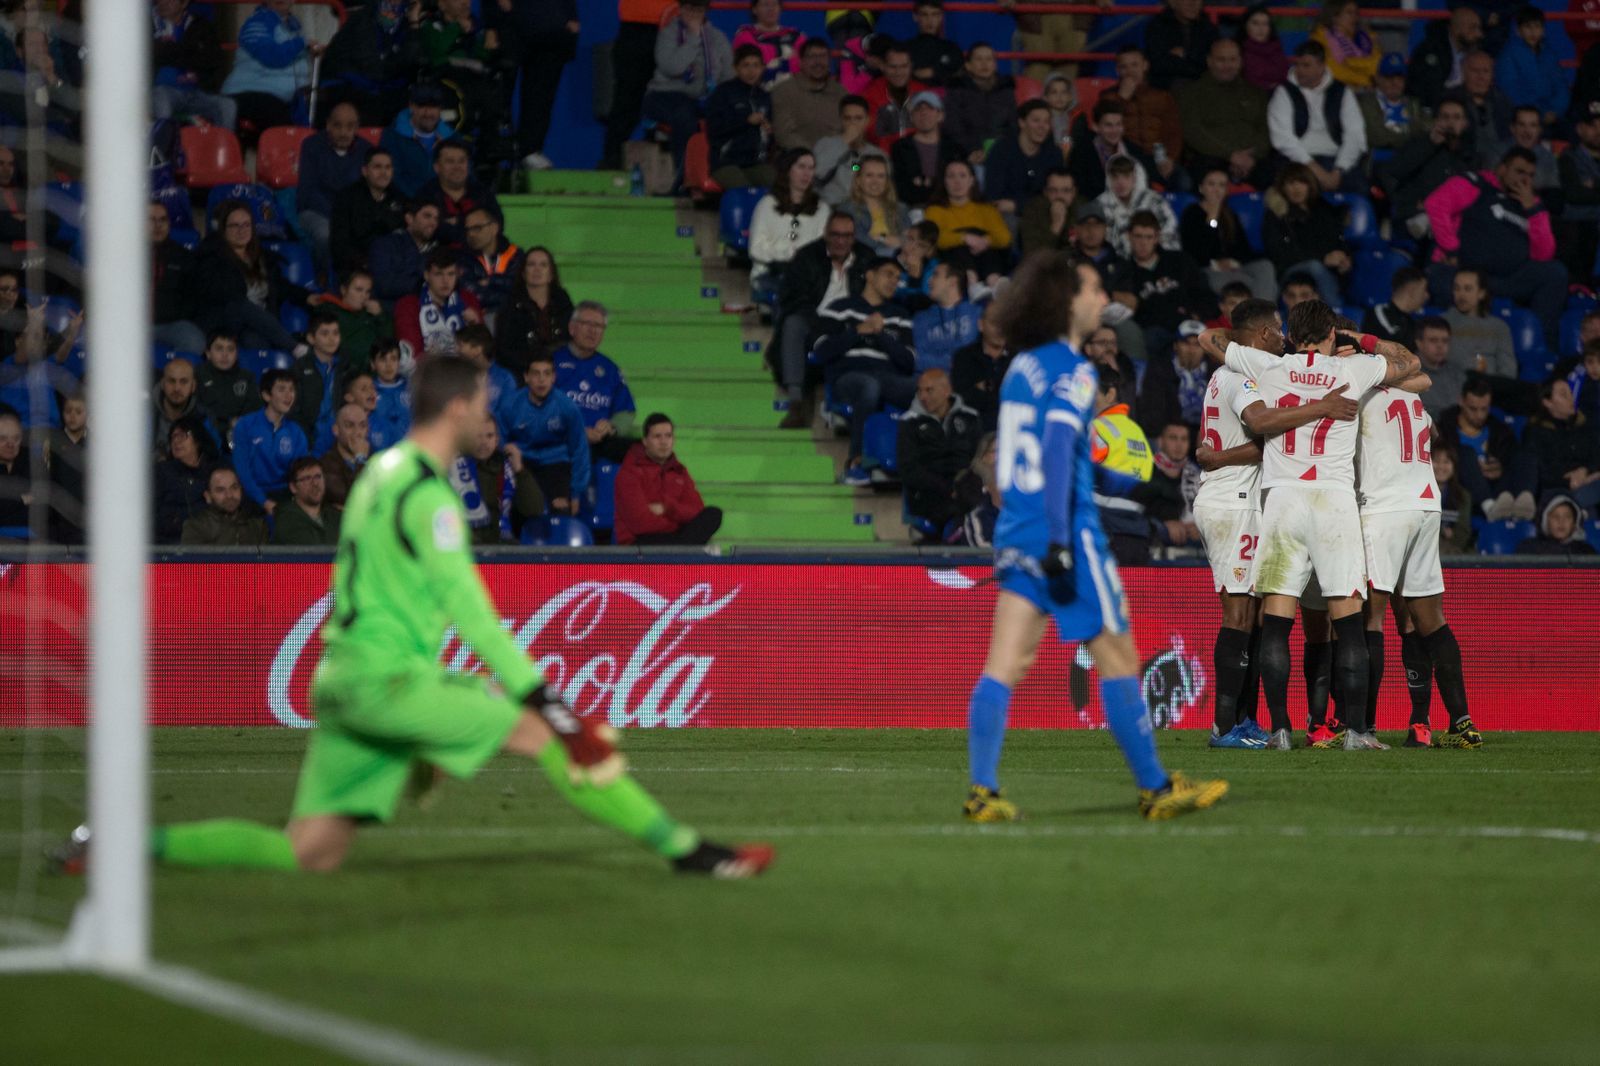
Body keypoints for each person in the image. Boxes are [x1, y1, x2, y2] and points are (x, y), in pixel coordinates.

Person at [85, 357, 773, 878]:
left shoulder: (376, 475)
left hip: (343, 680)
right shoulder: (429, 496)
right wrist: (555, 707)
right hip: (388, 683)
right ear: (459, 408)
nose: (487, 418)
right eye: (482, 405)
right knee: (544, 735)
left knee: (309, 852)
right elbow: (474, 617)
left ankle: (125, 848)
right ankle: (690, 851)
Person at [962, 249, 1228, 824]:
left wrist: (1106, 478)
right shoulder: (1074, 370)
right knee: (1118, 657)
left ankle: (981, 790)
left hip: (1016, 534)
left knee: (1003, 665)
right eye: (1091, 288)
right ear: (1065, 301)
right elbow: (1057, 448)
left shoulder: (1021, 368)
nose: (1100, 296)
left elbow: (1035, 453)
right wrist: (1062, 538)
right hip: (1069, 537)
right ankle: (1156, 787)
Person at [1196, 300, 1424, 749]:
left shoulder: (1268, 366)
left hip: (1282, 502)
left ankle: (1280, 729)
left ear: (1293, 334)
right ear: (1329, 335)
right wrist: (1361, 342)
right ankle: (1357, 731)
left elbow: (1210, 339)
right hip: (1333, 503)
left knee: (1277, 621)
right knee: (1349, 620)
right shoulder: (1352, 371)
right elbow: (1410, 363)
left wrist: (1253, 346)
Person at [1189, 297, 1358, 746]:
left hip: (1232, 497)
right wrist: (1322, 408)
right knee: (1240, 613)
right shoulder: (1244, 377)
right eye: (1278, 330)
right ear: (1263, 335)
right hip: (1235, 500)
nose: (1284, 337)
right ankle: (1225, 726)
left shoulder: (1226, 372)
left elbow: (1213, 340)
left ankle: (1243, 720)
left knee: (1256, 615)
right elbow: (1263, 425)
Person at [1353, 358, 1483, 749]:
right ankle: (1458, 724)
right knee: (1426, 619)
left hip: (1384, 508)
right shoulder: (1414, 401)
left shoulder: (1357, 395)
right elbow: (1431, 433)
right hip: (1426, 504)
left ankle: (1365, 729)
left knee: (1371, 618)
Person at [1426, 148, 1566, 351]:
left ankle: (1541, 351)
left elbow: (1543, 254)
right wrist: (1451, 249)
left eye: (1530, 175)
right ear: (1502, 169)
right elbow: (1436, 204)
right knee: (1443, 278)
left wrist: (1533, 210)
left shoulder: (1531, 204)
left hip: (1508, 278)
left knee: (1555, 273)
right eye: (1519, 172)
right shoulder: (1475, 184)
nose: (1525, 179)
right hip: (1465, 271)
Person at [811, 256, 916, 485]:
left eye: (898, 278)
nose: (894, 281)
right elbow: (821, 350)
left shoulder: (900, 315)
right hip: (848, 377)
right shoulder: (840, 308)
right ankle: (856, 463)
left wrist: (880, 334)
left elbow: (909, 361)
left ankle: (915, 468)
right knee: (869, 386)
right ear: (870, 275)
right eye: (889, 274)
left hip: (888, 378)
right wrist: (858, 330)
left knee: (926, 390)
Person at [772, 213, 873, 426]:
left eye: (847, 236)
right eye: (835, 235)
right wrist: (822, 322)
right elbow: (794, 299)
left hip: (851, 324)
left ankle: (853, 408)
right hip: (814, 321)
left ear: (854, 238)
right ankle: (796, 403)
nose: (841, 241)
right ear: (826, 234)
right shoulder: (806, 257)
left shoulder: (867, 258)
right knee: (793, 324)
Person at [192, 202, 306, 354]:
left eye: (246, 225)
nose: (242, 230)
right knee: (239, 304)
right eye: (235, 226)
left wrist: (308, 297)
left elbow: (280, 286)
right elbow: (223, 295)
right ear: (223, 230)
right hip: (224, 321)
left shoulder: (261, 257)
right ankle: (294, 347)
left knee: (255, 341)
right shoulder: (211, 257)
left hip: (257, 324)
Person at [641, 0, 733, 189]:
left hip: (704, 98)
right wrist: (692, 37)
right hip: (664, 95)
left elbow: (728, 76)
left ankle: (723, 176)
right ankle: (683, 181)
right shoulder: (669, 33)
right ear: (680, 9)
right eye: (688, 8)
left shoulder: (717, 38)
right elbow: (672, 67)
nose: (692, 13)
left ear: (706, 11)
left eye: (698, 8)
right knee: (684, 117)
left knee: (730, 113)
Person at [1109, 212, 1218, 363]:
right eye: (1138, 236)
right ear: (1129, 236)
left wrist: (1196, 314)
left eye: (1148, 237)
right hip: (1153, 332)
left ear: (1157, 237)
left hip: (1188, 325)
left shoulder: (1179, 261)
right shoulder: (1124, 271)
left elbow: (1206, 295)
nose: (1143, 243)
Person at [489, 0, 579, 170]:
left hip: (552, 31)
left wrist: (570, 15)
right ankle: (491, 150)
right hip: (510, 25)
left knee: (541, 96)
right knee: (498, 93)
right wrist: (491, 23)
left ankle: (531, 150)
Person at [1268, 41, 1368, 193]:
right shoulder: (1283, 92)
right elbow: (1283, 139)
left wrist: (1339, 170)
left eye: (1306, 65)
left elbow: (1355, 136)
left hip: (1336, 159)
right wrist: (1316, 170)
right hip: (1297, 161)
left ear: (1321, 66)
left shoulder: (1342, 92)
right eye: (1297, 64)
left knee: (1362, 187)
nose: (1299, 70)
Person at [500, 350, 590, 516]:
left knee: (560, 510)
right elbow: (499, 441)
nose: (542, 380)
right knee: (520, 512)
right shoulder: (510, 406)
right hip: (522, 465)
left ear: (553, 377)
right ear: (526, 377)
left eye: (547, 374)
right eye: (536, 374)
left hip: (556, 466)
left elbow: (580, 450)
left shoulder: (567, 407)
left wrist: (576, 493)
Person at [611, 412, 723, 546]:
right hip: (641, 542)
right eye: (657, 436)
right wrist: (680, 525)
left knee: (713, 514)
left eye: (668, 436)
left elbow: (696, 511)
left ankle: (681, 547)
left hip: (675, 537)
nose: (663, 442)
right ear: (645, 441)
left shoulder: (679, 471)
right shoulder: (629, 473)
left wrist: (667, 508)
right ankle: (682, 548)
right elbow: (641, 524)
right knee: (688, 541)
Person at [1177, 38, 1274, 190]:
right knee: (1206, 179)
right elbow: (1193, 132)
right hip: (1211, 159)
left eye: (1232, 60)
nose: (1227, 65)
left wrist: (1250, 158)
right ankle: (1213, 215)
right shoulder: (1192, 93)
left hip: (1253, 160)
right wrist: (1231, 155)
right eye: (1221, 60)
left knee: (1281, 179)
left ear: (1240, 62)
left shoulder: (1256, 93)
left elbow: (1266, 131)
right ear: (1209, 61)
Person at [1435, 376, 1536, 520]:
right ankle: (1489, 507)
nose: (1479, 415)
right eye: (1473, 409)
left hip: (1500, 492)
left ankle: (1524, 502)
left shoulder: (1499, 430)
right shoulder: (1445, 429)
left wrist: (1500, 468)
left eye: (1484, 409)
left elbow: (1512, 457)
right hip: (1463, 491)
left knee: (1526, 455)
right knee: (1465, 453)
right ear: (1461, 401)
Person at [553, 302, 638, 464]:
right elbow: (538, 408)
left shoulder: (610, 369)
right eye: (587, 324)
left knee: (642, 451)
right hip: (562, 439)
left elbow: (626, 411)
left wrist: (611, 427)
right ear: (572, 328)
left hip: (600, 441)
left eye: (599, 326)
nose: (593, 331)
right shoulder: (553, 361)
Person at [898, 368, 982, 533]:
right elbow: (908, 469)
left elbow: (978, 459)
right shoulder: (909, 422)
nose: (922, 396)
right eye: (920, 391)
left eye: (929, 390)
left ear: (946, 391)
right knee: (958, 514)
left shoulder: (970, 418)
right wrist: (947, 488)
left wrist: (963, 486)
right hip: (927, 494)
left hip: (966, 490)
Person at [296, 102, 372, 283]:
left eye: (350, 126)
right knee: (326, 236)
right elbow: (308, 191)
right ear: (328, 124)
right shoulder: (311, 146)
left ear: (357, 127)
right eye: (338, 125)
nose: (344, 132)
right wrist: (340, 216)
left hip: (352, 212)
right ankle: (321, 277)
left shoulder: (366, 150)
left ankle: (362, 282)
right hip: (316, 210)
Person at [221, 0, 318, 139]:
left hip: (283, 98)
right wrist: (302, 43)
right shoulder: (256, 22)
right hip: (248, 94)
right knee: (284, 134)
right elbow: (272, 56)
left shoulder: (294, 27)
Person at [1384, 97, 1477, 240]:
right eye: (1445, 117)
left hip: (1454, 224)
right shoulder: (1418, 144)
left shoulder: (1472, 158)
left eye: (1456, 117)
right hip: (1415, 221)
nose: (1450, 122)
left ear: (1465, 123)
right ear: (1436, 121)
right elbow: (1395, 170)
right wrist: (1430, 143)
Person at [318, 0, 422, 127]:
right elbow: (375, 70)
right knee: (376, 105)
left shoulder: (405, 25)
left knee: (415, 104)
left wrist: (414, 24)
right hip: (347, 85)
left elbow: (411, 63)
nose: (395, 3)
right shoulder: (363, 19)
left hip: (379, 87)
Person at [1262, 163, 1351, 306]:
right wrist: (1323, 258)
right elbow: (1279, 252)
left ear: (1310, 185)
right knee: (1314, 266)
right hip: (1290, 270)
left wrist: (1344, 258)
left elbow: (1337, 240)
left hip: (1325, 269)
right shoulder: (1277, 214)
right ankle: (1335, 312)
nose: (1296, 188)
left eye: (1301, 182)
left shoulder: (1322, 209)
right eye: (1291, 183)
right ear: (1283, 187)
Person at [601, 0, 675, 169]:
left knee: (670, 99)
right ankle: (612, 160)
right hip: (635, 29)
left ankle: (665, 166)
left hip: (674, 24)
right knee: (627, 99)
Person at [1182, 168, 1276, 298]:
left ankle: (1262, 315)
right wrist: (1212, 219)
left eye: (1221, 185)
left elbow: (1243, 248)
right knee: (1253, 284)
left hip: (1233, 267)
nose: (1216, 189)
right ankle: (1260, 313)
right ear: (1201, 188)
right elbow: (1196, 251)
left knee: (1265, 267)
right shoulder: (1192, 213)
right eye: (1211, 184)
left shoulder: (1229, 214)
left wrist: (1233, 262)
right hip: (1208, 270)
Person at [748, 149, 827, 299]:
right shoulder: (767, 205)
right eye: (801, 167)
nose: (806, 173)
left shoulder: (822, 209)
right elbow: (756, 249)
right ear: (788, 170)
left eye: (811, 168)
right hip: (770, 273)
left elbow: (822, 250)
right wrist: (786, 254)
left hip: (807, 276)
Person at [233, 368, 309, 515]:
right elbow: (242, 470)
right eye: (281, 389)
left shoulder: (296, 432)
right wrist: (263, 501)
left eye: (291, 390)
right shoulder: (245, 425)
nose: (288, 396)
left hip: (286, 494)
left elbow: (302, 470)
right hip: (251, 494)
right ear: (266, 395)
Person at [924, 159, 1012, 283]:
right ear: (944, 182)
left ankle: (994, 283)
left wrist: (985, 241)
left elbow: (1004, 238)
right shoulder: (934, 211)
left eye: (962, 175)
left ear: (972, 180)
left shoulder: (987, 209)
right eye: (951, 176)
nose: (957, 181)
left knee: (988, 244)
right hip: (955, 266)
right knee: (960, 244)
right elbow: (935, 239)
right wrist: (964, 238)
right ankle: (973, 284)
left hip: (987, 260)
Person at [151, 0, 234, 129]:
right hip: (161, 90)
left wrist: (169, 50)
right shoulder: (148, 25)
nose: (163, 3)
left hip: (195, 91)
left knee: (227, 105)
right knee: (162, 102)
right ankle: (163, 148)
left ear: (184, 3)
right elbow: (152, 54)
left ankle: (221, 148)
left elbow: (212, 59)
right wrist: (190, 53)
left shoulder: (200, 25)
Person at [394, 250, 483, 368]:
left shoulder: (468, 300)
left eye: (451, 274)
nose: (445, 281)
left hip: (464, 372)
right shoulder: (408, 305)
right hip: (426, 373)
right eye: (439, 274)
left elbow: (482, 347)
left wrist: (475, 325)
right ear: (426, 275)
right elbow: (411, 352)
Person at [495, 247, 574, 377]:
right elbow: (504, 350)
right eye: (531, 264)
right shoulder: (510, 304)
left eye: (543, 265)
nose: (537, 269)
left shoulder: (563, 301)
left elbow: (570, 339)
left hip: (560, 370)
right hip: (522, 373)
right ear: (523, 272)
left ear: (551, 274)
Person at [706, 45, 775, 192]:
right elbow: (714, 129)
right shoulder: (723, 93)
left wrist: (769, 130)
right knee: (743, 191)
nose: (751, 71)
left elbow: (770, 135)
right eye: (746, 65)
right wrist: (745, 121)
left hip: (755, 163)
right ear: (735, 68)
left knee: (777, 184)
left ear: (763, 68)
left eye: (756, 65)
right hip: (726, 163)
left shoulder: (764, 96)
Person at [329, 149, 407, 279]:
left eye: (388, 167)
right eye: (377, 167)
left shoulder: (399, 198)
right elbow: (339, 244)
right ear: (365, 171)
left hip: (392, 266)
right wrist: (366, 263)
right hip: (356, 268)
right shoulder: (346, 198)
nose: (383, 172)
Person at [1109, 46, 1184, 180]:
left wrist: (1170, 158)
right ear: (1117, 70)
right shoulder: (1108, 97)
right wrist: (1122, 98)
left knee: (1183, 182)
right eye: (1124, 67)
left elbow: (1174, 132)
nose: (1130, 71)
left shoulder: (1162, 96)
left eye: (1134, 65)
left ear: (1145, 65)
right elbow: (1106, 128)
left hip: (1158, 159)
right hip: (1125, 160)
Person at [1065, 96, 1158, 203]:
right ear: (1096, 127)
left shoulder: (1134, 151)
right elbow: (1079, 192)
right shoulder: (1081, 153)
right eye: (1108, 125)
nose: (1114, 131)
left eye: (1118, 124)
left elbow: (1147, 186)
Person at [1523, 379, 1600, 506]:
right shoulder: (1535, 432)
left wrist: (1585, 471)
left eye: (1571, 393)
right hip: (1557, 492)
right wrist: (1569, 481)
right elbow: (1539, 471)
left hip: (1590, 483)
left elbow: (1596, 456)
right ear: (1547, 402)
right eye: (1564, 395)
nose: (1571, 398)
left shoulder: (1584, 426)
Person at [984, 101, 1068, 218]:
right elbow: (994, 197)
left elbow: (1055, 195)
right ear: (1022, 123)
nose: (1042, 127)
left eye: (1046, 122)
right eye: (1036, 121)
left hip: (1041, 213)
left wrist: (1017, 205)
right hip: (1006, 215)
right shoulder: (1001, 150)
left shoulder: (1054, 154)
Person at [419, 139, 501, 252]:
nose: (457, 167)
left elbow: (496, 227)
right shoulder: (425, 195)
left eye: (462, 161)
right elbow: (424, 232)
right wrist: (473, 227)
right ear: (437, 167)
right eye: (450, 161)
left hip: (478, 260)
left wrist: (453, 224)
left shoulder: (483, 193)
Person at [380, 82, 457, 200]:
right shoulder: (392, 136)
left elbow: (465, 175)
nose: (428, 113)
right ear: (411, 106)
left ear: (440, 108)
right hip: (408, 206)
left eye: (433, 106)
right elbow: (392, 177)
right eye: (422, 106)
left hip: (447, 206)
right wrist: (421, 202)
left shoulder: (453, 138)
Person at [1495, 6, 1567, 128]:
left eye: (1537, 26)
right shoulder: (1508, 55)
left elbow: (1561, 87)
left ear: (1543, 30)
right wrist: (1539, 112)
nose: (1533, 32)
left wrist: (1555, 111)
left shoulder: (1549, 54)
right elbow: (1510, 91)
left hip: (1552, 115)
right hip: (1522, 117)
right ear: (1518, 30)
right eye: (1528, 27)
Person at [310, 270, 393, 375]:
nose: (364, 296)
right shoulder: (329, 312)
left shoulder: (372, 314)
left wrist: (380, 316)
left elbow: (388, 343)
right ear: (344, 290)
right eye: (358, 290)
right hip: (348, 375)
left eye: (367, 292)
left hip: (377, 372)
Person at [888, 91, 961, 209]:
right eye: (918, 109)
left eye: (930, 108)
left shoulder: (954, 148)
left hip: (949, 206)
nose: (924, 113)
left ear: (940, 115)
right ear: (911, 116)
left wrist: (923, 183)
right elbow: (900, 186)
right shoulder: (899, 147)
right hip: (911, 207)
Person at [770, 37, 845, 152]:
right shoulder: (784, 91)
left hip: (838, 157)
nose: (818, 62)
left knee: (859, 166)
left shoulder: (841, 93)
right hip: (797, 160)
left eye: (823, 56)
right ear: (800, 62)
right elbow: (784, 135)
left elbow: (851, 130)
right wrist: (814, 156)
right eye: (812, 57)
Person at [943, 43, 1015, 161]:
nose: (984, 64)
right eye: (979, 59)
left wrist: (998, 150)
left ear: (995, 65)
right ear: (968, 65)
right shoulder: (957, 90)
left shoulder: (1006, 90)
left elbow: (1013, 127)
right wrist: (972, 150)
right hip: (966, 154)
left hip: (1001, 154)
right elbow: (953, 127)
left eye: (989, 59)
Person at [149, 201, 205, 354]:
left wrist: (169, 314)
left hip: (171, 324)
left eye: (163, 220)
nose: (158, 225)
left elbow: (193, 297)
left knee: (195, 343)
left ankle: (176, 377)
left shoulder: (183, 256)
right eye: (151, 220)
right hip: (131, 324)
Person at [1096, 156, 1179, 258]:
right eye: (1115, 177)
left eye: (1126, 176)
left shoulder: (1155, 201)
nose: (1120, 182)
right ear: (1109, 179)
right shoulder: (1100, 205)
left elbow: (1170, 235)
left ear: (1135, 177)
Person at [1442, 268, 1515, 382]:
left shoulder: (1499, 327)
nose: (1461, 294)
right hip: (1452, 384)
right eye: (1457, 288)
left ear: (1481, 293)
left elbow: (1508, 370)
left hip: (1489, 387)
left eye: (1468, 289)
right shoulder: (1442, 323)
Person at [1407, 5, 1484, 113]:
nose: (1479, 34)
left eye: (1479, 28)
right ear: (1456, 29)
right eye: (1472, 28)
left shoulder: (1474, 50)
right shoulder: (1430, 51)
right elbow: (1428, 92)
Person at [154, 417, 217, 544]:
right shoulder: (161, 472)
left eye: (182, 436)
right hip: (169, 545)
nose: (176, 441)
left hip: (209, 544)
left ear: (198, 440)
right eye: (173, 438)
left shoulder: (215, 472)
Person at [813, 95, 885, 206]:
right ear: (841, 120)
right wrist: (844, 141)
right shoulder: (825, 144)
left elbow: (884, 188)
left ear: (868, 121)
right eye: (847, 118)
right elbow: (816, 174)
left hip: (863, 209)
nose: (853, 124)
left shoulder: (876, 154)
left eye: (858, 118)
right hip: (829, 207)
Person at [951, 303, 1012, 431]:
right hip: (975, 430)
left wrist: (987, 387)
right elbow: (963, 397)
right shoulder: (964, 357)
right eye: (994, 323)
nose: (1000, 329)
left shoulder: (1019, 358)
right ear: (981, 325)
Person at [1557, 106, 1600, 288]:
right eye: (1592, 125)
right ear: (1580, 128)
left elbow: (1584, 194)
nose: (1598, 131)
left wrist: (1594, 185)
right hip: (1581, 228)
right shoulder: (1568, 158)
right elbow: (1574, 195)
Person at [369, 201, 441, 308]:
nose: (433, 223)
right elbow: (382, 285)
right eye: (427, 216)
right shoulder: (386, 245)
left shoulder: (438, 251)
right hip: (392, 311)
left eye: (436, 218)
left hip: (431, 312)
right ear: (409, 219)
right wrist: (423, 285)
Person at [911, 263, 980, 373]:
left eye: (935, 275)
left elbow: (972, 356)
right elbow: (919, 359)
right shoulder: (921, 318)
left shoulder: (976, 313)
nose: (929, 281)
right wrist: (950, 363)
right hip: (930, 380)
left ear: (952, 282)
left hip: (966, 380)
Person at [290, 310, 346, 444]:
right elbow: (293, 410)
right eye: (325, 333)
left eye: (335, 333)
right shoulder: (299, 369)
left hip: (340, 438)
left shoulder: (346, 369)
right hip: (309, 440)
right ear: (311, 338)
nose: (332, 339)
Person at [195, 329, 262, 439]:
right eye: (219, 349)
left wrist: (240, 424)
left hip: (242, 434)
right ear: (208, 353)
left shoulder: (247, 377)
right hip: (208, 435)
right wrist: (228, 424)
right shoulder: (197, 375)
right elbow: (197, 411)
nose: (225, 354)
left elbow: (254, 409)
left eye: (230, 349)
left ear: (236, 354)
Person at [1360, 53, 1424, 167]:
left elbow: (1422, 136)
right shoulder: (1366, 103)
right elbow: (1378, 136)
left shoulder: (1413, 104)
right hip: (1376, 164)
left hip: (1410, 163)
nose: (1395, 82)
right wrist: (1410, 130)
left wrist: (1392, 129)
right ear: (1378, 78)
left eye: (1399, 77)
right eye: (1389, 77)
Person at [179, 466, 268, 546]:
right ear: (208, 496)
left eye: (234, 488)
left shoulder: (257, 526)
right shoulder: (195, 527)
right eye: (220, 490)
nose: (229, 495)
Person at [862, 41, 927, 149]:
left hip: (918, 157)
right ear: (882, 66)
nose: (898, 72)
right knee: (854, 165)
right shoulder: (869, 94)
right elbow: (869, 135)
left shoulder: (923, 93)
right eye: (893, 67)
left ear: (911, 66)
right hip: (881, 159)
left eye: (904, 66)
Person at [459, 208, 522, 318]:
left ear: (494, 228)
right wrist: (501, 286)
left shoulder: (515, 255)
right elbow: (469, 295)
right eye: (468, 229)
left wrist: (489, 281)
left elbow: (520, 290)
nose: (471, 234)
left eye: (477, 228)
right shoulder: (462, 258)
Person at [150, 358, 217, 461]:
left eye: (184, 382)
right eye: (171, 381)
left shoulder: (204, 418)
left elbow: (212, 457)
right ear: (163, 384)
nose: (177, 388)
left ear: (193, 386)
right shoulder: (142, 413)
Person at [1144, 0, 1219, 91]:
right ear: (1172, 3)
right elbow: (1159, 64)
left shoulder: (1209, 29)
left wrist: (1185, 54)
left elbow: (1212, 64)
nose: (1193, 3)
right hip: (1166, 88)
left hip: (1203, 86)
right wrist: (1194, 60)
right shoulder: (1157, 27)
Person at [1448, 50, 1513, 154]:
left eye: (1486, 71)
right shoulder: (1451, 99)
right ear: (1464, 72)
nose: (1481, 77)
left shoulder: (1502, 101)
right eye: (1475, 71)